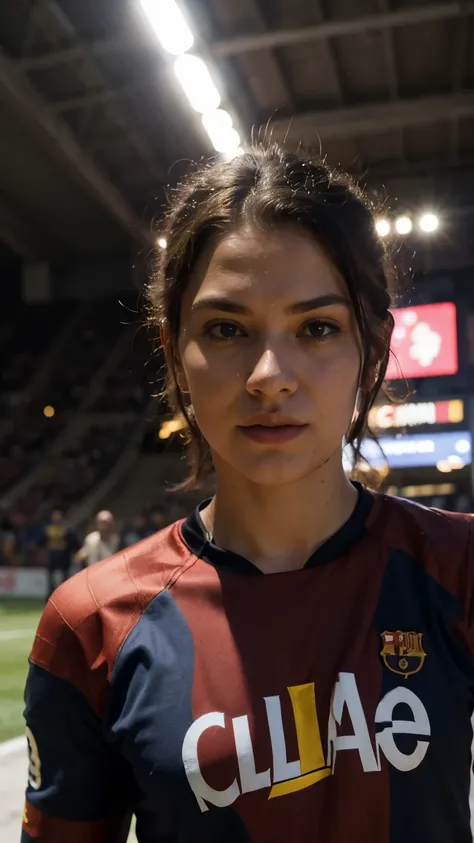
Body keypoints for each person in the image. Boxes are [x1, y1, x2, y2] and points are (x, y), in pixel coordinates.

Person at [20, 143, 474, 843]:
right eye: (226, 329)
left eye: (317, 327)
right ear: (177, 356)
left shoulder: (458, 571)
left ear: (374, 351)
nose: (270, 373)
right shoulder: (92, 627)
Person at [38, 508, 80, 599]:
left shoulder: (67, 529)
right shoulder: (48, 529)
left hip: (64, 558)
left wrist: (67, 538)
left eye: (58, 516)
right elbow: (40, 542)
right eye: (55, 516)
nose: (56, 518)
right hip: (52, 557)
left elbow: (75, 543)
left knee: (65, 579)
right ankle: (50, 597)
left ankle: (64, 597)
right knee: (51, 580)